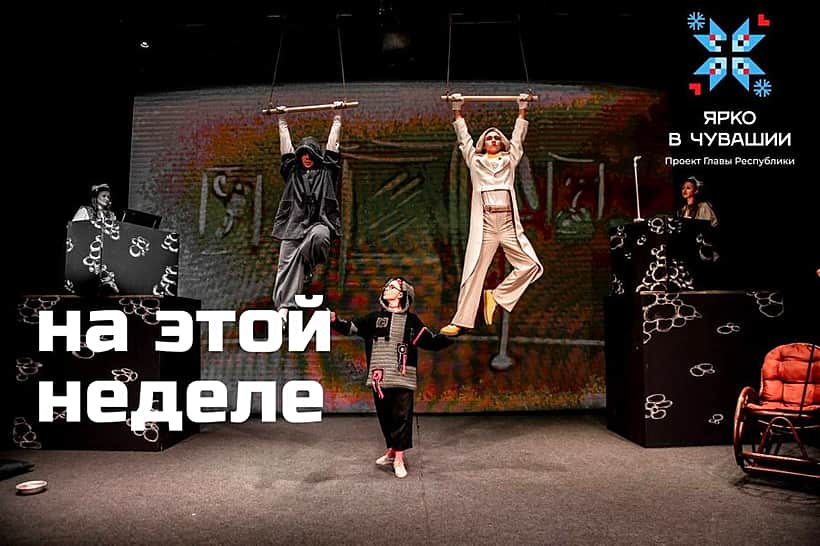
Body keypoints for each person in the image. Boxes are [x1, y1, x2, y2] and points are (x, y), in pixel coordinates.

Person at [439, 95, 543, 336]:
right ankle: (460, 321)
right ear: (483, 143)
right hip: (486, 224)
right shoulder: (475, 160)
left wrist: (522, 109)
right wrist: (457, 110)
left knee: (531, 266)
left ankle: (497, 296)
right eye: (489, 138)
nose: (494, 140)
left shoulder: (509, 160)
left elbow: (518, 138)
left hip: (507, 224)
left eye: (497, 137)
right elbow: (464, 139)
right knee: (473, 271)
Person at [330, 277, 452, 478]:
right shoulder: (374, 318)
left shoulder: (411, 322)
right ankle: (391, 451)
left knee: (401, 417)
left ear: (402, 294)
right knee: (385, 416)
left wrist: (453, 333)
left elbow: (431, 341)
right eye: (386, 286)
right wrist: (335, 321)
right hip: (379, 377)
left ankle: (399, 459)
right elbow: (352, 328)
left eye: (392, 287)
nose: (386, 289)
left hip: (402, 377)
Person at [272, 109, 343, 319]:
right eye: (303, 154)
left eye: (310, 154)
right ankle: (284, 308)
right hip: (293, 226)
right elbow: (286, 149)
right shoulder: (292, 172)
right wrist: (282, 120)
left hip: (318, 223)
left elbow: (332, 148)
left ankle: (308, 266)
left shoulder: (327, 172)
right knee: (285, 265)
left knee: (320, 236)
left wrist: (337, 117)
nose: (307, 158)